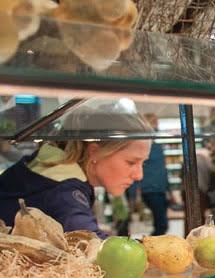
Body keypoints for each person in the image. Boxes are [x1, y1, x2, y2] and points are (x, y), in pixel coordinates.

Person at [0, 101, 152, 236]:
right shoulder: (64, 192)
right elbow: (91, 245)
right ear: (94, 151)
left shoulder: (47, 166)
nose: (139, 175)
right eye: (131, 162)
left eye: (143, 163)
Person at [128, 113, 171, 236]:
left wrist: (169, 191)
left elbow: (163, 170)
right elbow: (135, 169)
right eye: (153, 124)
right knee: (161, 224)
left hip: (159, 190)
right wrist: (133, 194)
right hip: (150, 190)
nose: (155, 127)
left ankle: (154, 244)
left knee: (161, 223)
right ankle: (152, 245)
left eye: (156, 124)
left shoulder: (157, 147)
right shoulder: (141, 147)